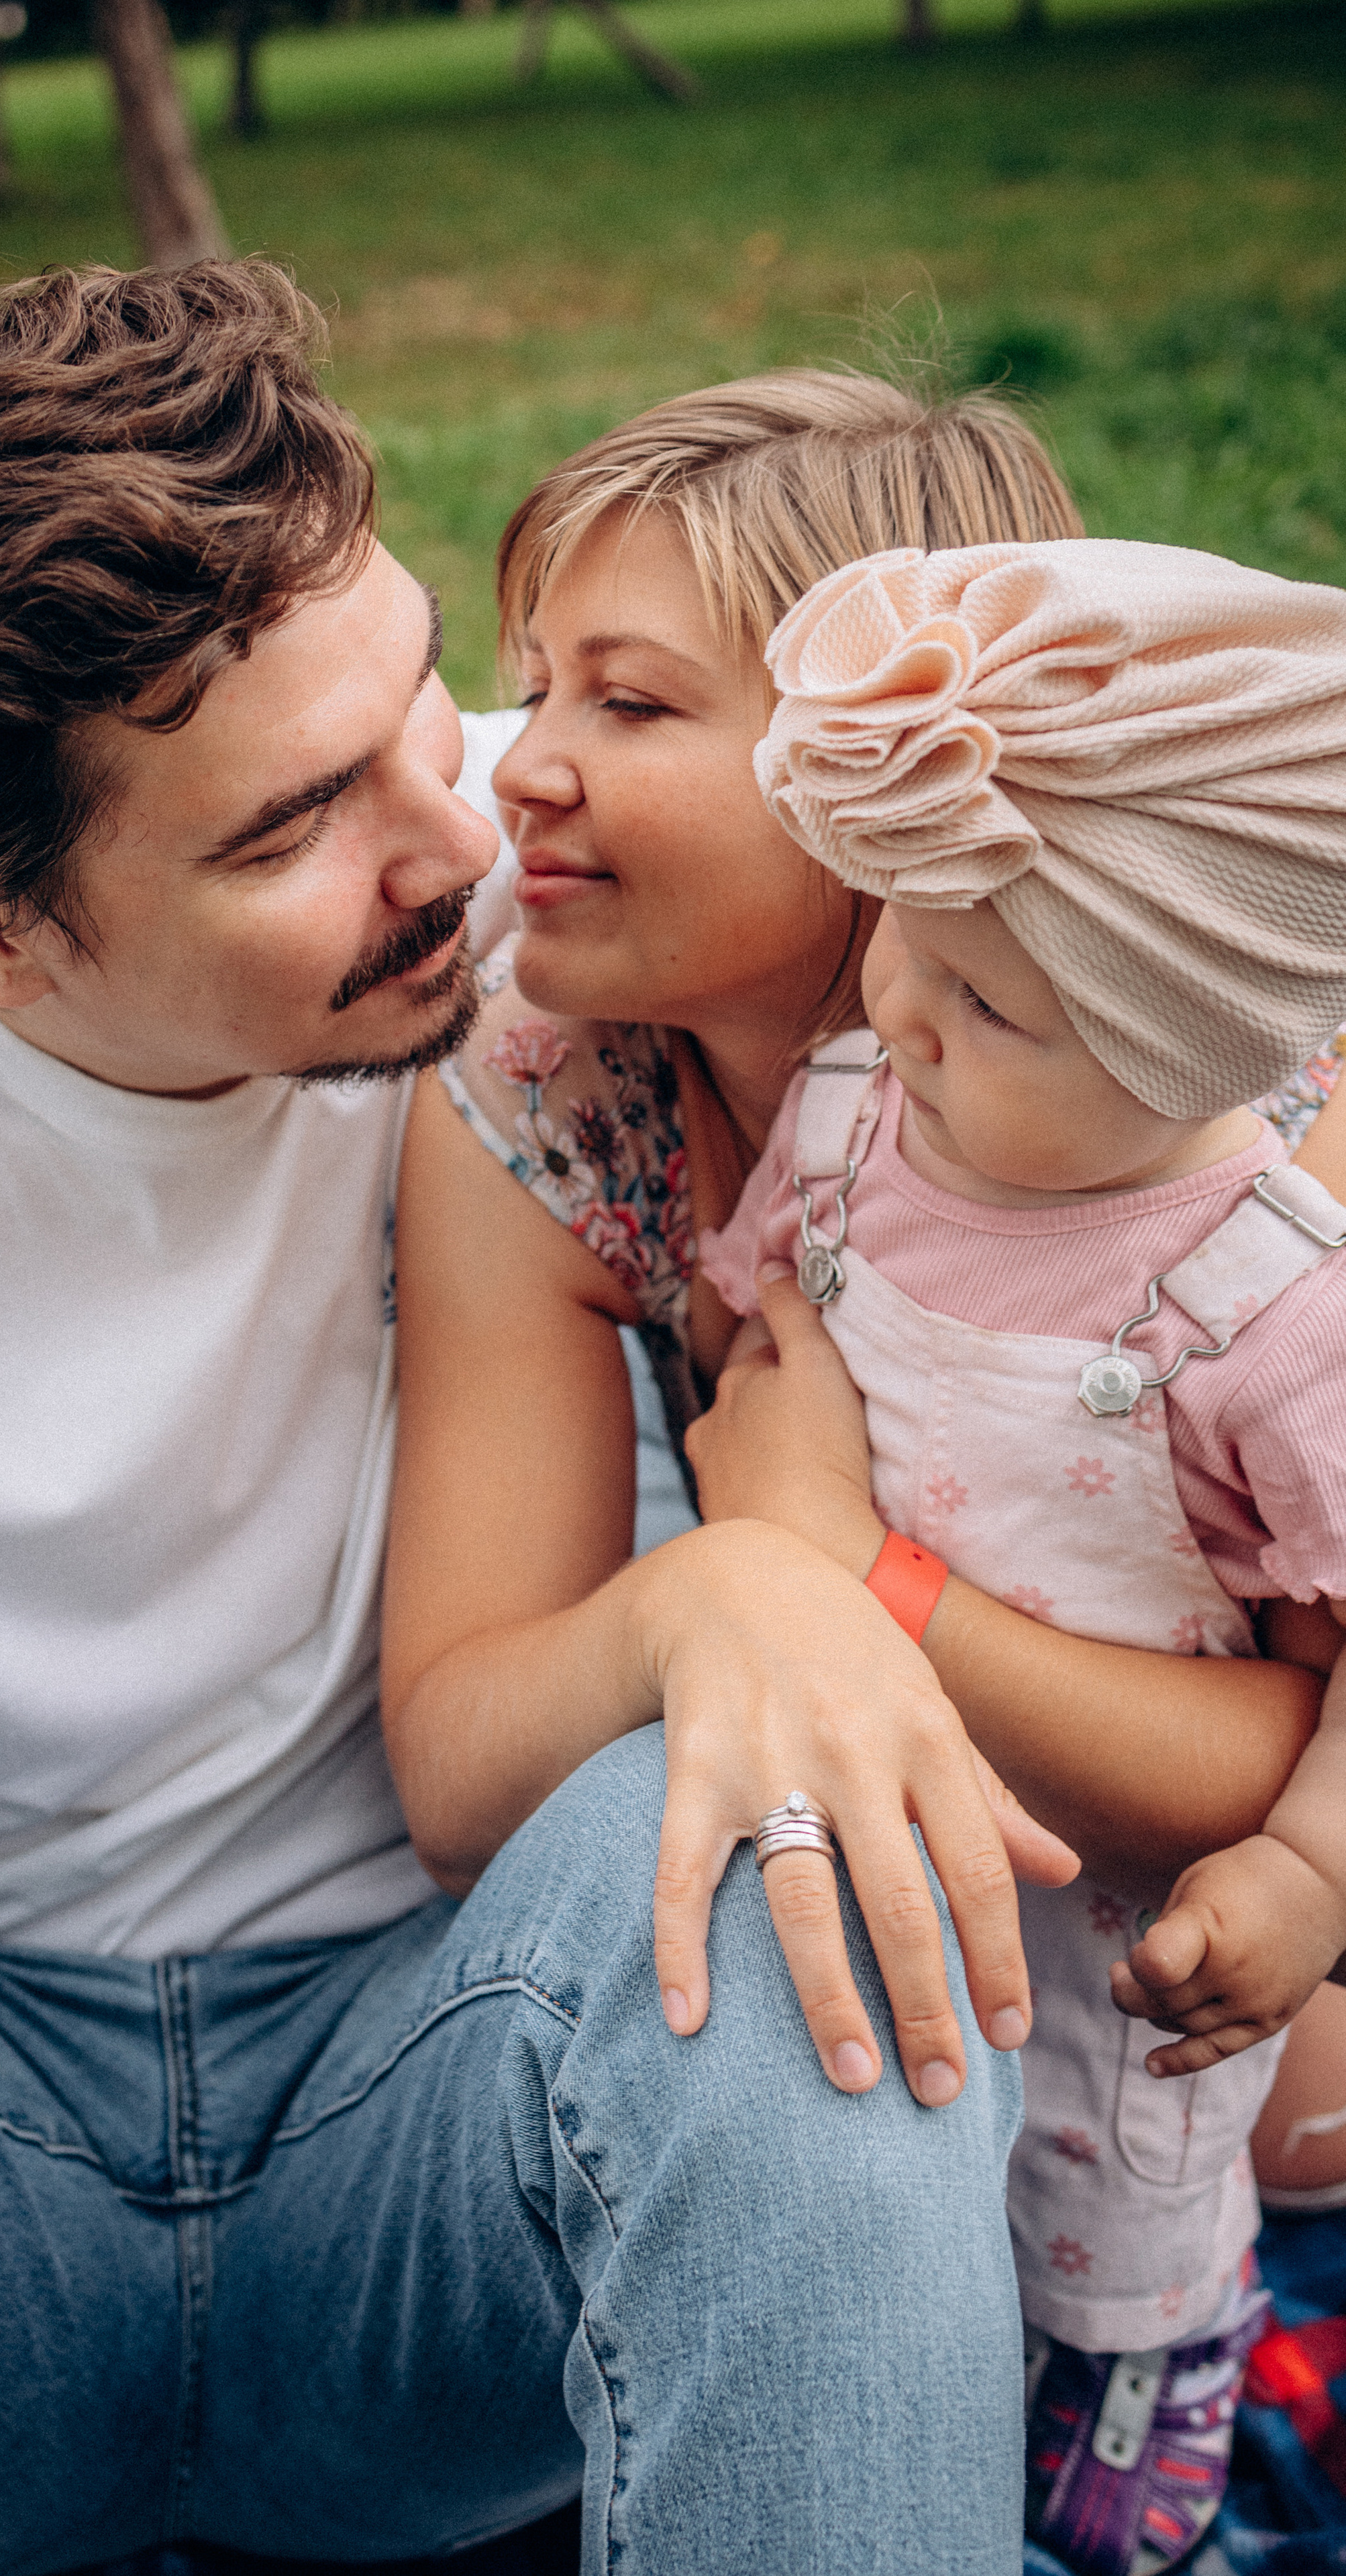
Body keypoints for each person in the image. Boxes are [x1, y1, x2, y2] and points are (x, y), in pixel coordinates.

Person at [0, 264, 1061, 2576]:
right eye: (295, 824)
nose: (471, 835)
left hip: (458, 2158)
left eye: (427, 701)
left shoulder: (561, 894)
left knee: (797, 1839)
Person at [697, 534, 1346, 2574]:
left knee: (1115, 2149)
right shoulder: (855, 1110)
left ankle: (1154, 2349)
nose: (896, 997)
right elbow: (759, 1345)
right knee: (885, 2124)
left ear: (1195, 1056)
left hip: (1121, 1880)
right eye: (903, 933)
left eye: (986, 998)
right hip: (873, 1778)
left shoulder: (1266, 1308)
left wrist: (1315, 1871)